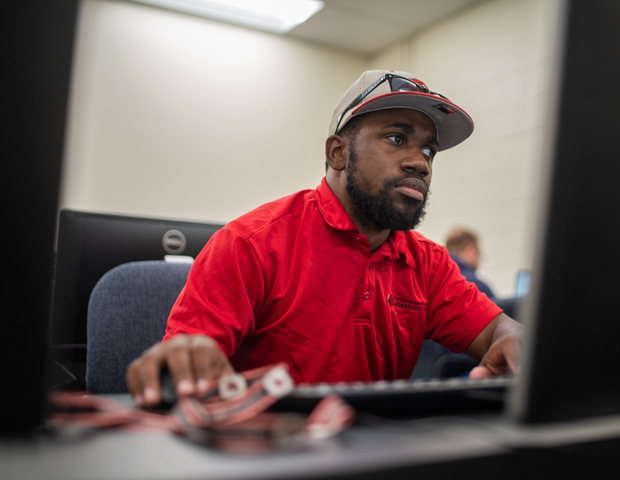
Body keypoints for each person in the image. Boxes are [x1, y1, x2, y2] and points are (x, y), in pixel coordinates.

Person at [127, 70, 523, 407]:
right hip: (267, 454)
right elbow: (186, 362)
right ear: (337, 153)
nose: (419, 162)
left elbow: (496, 331)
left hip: (377, 454)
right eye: (397, 139)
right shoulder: (250, 244)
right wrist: (186, 358)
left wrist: (513, 338)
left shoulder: (428, 264)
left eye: (429, 151)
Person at [445, 228, 496, 300]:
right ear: (471, 250)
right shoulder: (476, 286)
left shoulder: (436, 279)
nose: (478, 264)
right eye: (479, 256)